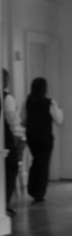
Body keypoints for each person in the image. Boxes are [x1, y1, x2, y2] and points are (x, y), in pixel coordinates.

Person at [22, 77, 64, 203]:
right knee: (43, 164)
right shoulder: (50, 103)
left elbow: (23, 119)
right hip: (45, 138)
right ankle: (39, 192)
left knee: (36, 161)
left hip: (31, 137)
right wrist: (60, 109)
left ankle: (32, 189)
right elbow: (59, 120)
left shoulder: (27, 102)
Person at [3, 68, 25, 216]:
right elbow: (12, 120)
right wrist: (19, 134)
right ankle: (4, 202)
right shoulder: (7, 98)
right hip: (6, 137)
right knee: (11, 168)